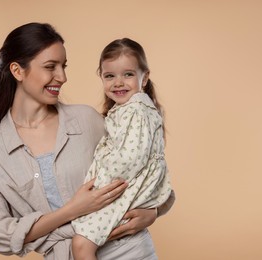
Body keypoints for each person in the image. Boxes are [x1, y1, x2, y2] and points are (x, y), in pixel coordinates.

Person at [0, 23, 175, 260]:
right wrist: (73, 210)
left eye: (63, 66)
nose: (62, 77)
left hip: (129, 250)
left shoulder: (87, 120)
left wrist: (154, 211)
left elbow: (148, 168)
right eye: (50, 67)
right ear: (17, 71)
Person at [71, 38, 172, 260]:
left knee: (81, 244)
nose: (118, 82)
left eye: (127, 74)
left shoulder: (135, 111)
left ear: (144, 78)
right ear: (101, 77)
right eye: (110, 76)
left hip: (122, 187)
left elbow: (130, 159)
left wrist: (100, 184)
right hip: (127, 187)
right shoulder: (126, 109)